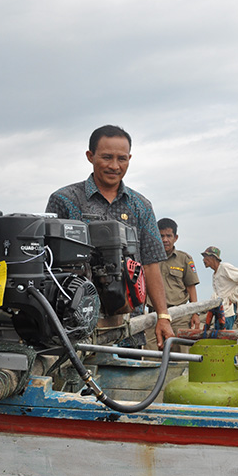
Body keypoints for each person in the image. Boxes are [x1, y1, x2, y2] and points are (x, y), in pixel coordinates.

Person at [45, 125, 173, 348]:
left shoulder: (140, 206)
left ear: (130, 158)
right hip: (77, 325)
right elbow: (49, 265)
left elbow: (151, 265)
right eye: (106, 157)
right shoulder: (64, 200)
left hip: (129, 326)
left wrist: (163, 316)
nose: (115, 166)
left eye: (122, 159)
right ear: (90, 156)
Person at [145, 218, 201, 351]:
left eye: (169, 236)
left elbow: (191, 287)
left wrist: (195, 313)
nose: (165, 240)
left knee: (181, 356)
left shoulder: (184, 259)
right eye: (162, 236)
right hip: (154, 315)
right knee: (151, 355)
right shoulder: (148, 260)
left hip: (179, 315)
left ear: (175, 237)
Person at [201, 246, 238, 330]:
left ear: (213, 257)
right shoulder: (214, 274)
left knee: (224, 336)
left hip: (228, 312)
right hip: (219, 311)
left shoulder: (224, 267)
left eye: (205, 257)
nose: (203, 260)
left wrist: (234, 297)